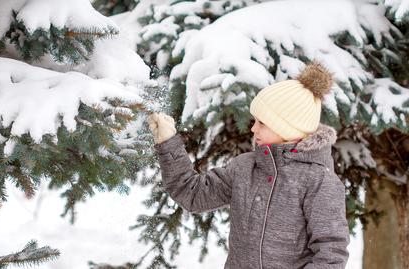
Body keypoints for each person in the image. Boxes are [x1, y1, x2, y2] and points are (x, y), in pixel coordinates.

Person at [147, 62, 350, 269]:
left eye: (262, 123)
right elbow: (191, 193)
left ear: (289, 128)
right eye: (254, 120)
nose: (253, 128)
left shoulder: (319, 181)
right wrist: (168, 142)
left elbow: (331, 253)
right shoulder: (244, 168)